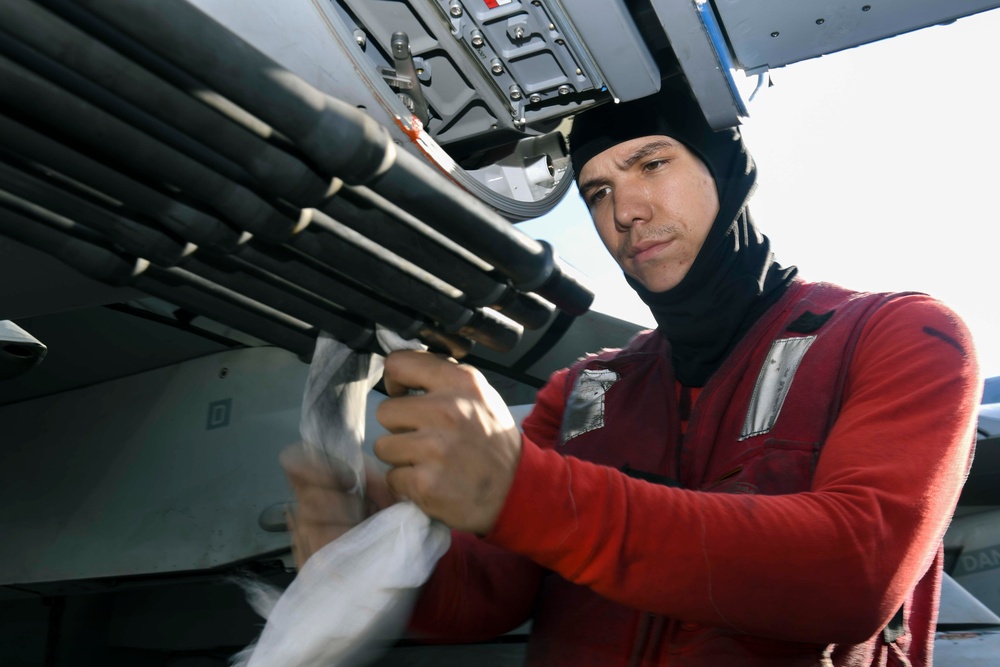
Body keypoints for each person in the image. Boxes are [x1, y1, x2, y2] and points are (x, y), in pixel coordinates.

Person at [282, 76, 980, 666]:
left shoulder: (900, 336)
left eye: (652, 164)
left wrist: (527, 493)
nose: (625, 211)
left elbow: (854, 571)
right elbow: (495, 592)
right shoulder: (585, 390)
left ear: (725, 168)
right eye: (595, 191)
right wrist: (371, 556)